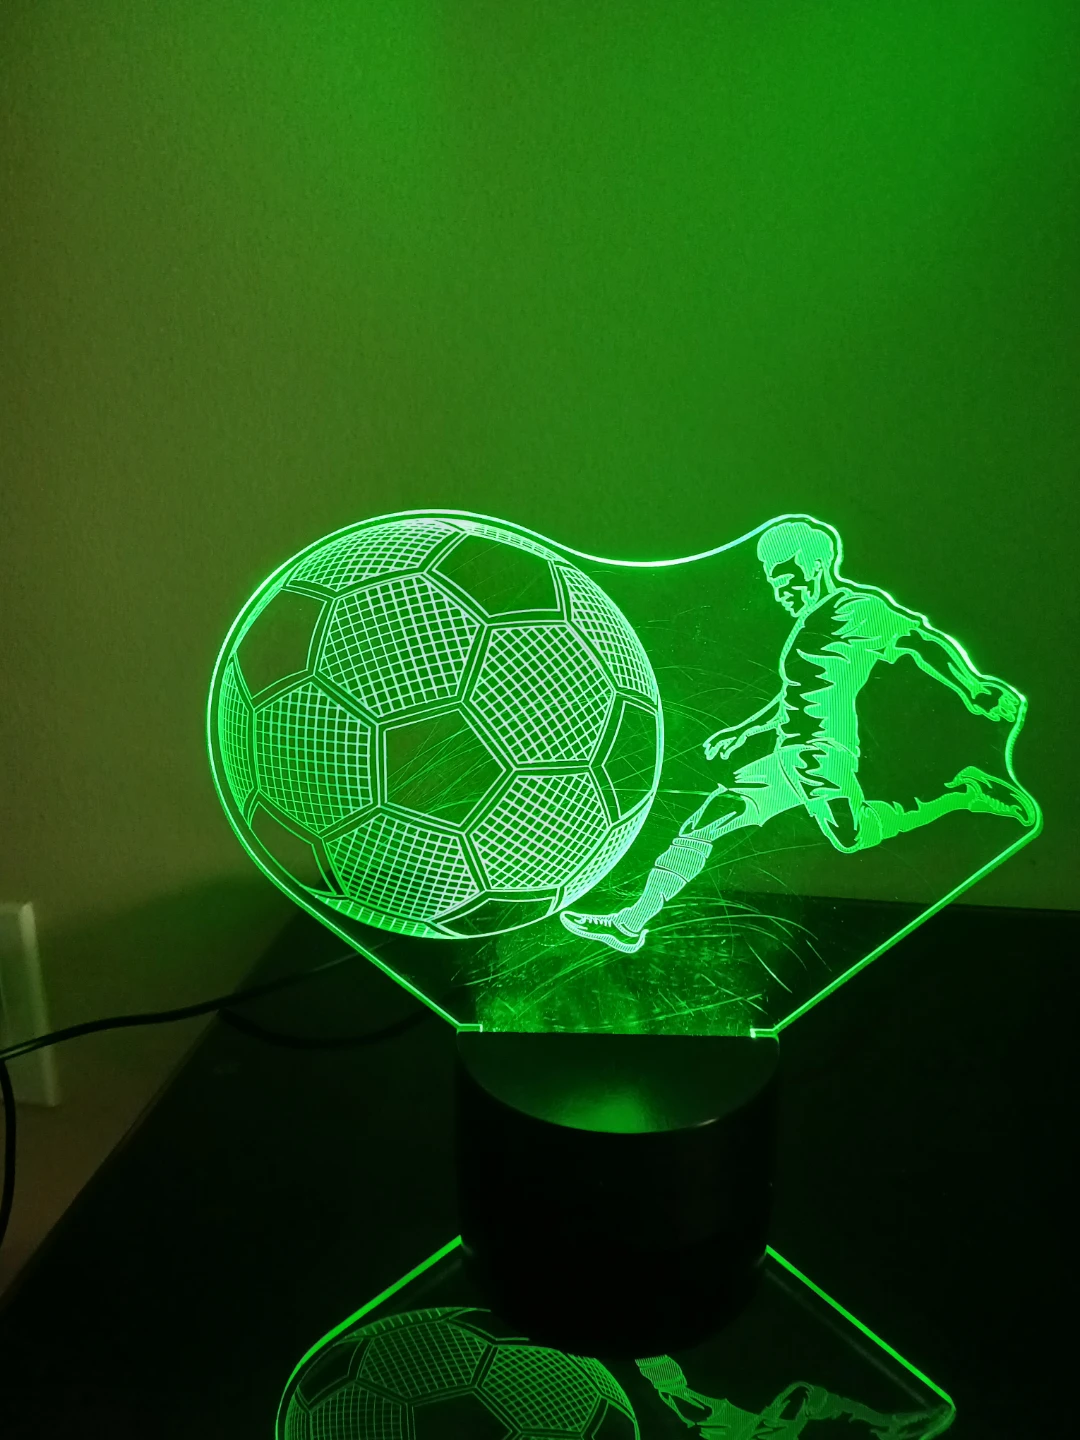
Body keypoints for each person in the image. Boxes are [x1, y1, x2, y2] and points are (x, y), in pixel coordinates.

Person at [562, 519, 1036, 954]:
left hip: (823, 754)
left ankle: (962, 794)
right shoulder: (808, 623)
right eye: (773, 580)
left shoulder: (859, 609)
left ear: (816, 566)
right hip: (786, 756)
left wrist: (973, 686)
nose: (779, 590)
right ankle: (632, 921)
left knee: (850, 836)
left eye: (786, 576)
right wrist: (744, 731)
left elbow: (922, 640)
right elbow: (794, 693)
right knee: (703, 824)